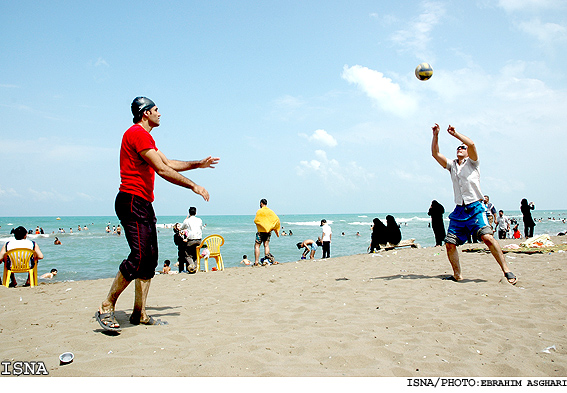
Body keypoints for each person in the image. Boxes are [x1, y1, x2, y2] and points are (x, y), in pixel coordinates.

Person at [95, 96, 220, 333]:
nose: (159, 113)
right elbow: (162, 170)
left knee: (150, 259)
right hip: (131, 200)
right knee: (139, 256)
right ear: (145, 113)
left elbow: (168, 162)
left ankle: (139, 313)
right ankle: (106, 305)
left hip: (143, 202)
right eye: (156, 110)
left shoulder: (147, 137)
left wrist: (197, 164)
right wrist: (193, 186)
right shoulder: (136, 133)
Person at [431, 123, 516, 284]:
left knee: (487, 237)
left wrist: (456, 134)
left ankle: (507, 270)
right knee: (449, 244)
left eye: (462, 148)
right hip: (459, 210)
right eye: (458, 147)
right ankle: (457, 275)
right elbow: (435, 154)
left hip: (475, 207)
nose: (460, 148)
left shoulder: (473, 163)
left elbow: (472, 144)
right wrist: (436, 135)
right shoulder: (452, 165)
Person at [253, 199, 280, 266]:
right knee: (266, 245)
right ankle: (266, 260)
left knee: (257, 246)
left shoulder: (259, 211)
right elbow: (276, 220)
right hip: (268, 231)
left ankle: (256, 262)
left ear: (261, 203)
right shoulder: (270, 211)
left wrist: (261, 225)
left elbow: (256, 220)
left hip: (260, 232)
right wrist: (273, 228)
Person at [180, 206, 203, 273]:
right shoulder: (199, 220)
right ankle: (195, 268)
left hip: (191, 240)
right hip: (199, 240)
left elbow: (181, 228)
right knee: (195, 255)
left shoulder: (187, 220)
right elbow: (201, 228)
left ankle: (192, 266)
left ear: (189, 213)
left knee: (188, 255)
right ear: (195, 213)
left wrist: (186, 218)